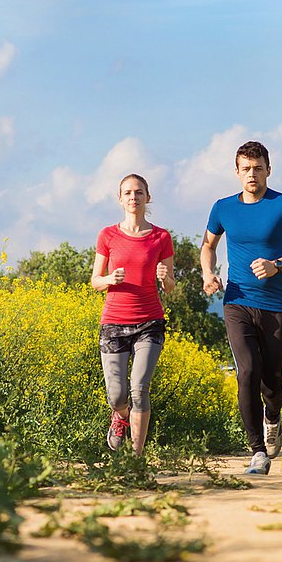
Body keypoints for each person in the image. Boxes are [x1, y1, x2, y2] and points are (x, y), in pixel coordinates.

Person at [200, 141, 282, 475]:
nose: (252, 174)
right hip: (237, 302)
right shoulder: (222, 208)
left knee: (272, 383)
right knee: (247, 371)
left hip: (276, 304)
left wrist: (277, 264)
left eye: (258, 168)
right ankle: (257, 452)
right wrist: (209, 273)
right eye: (246, 168)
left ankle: (272, 416)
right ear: (237, 172)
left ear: (268, 169)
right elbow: (208, 245)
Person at [91, 173, 176, 455]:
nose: (133, 197)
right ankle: (120, 416)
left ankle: (137, 457)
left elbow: (171, 286)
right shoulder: (108, 235)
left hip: (150, 321)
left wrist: (165, 278)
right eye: (128, 193)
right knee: (117, 395)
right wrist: (109, 280)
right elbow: (95, 281)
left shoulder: (161, 237)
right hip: (114, 321)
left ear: (147, 198)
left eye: (139, 192)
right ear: (120, 199)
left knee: (139, 389)